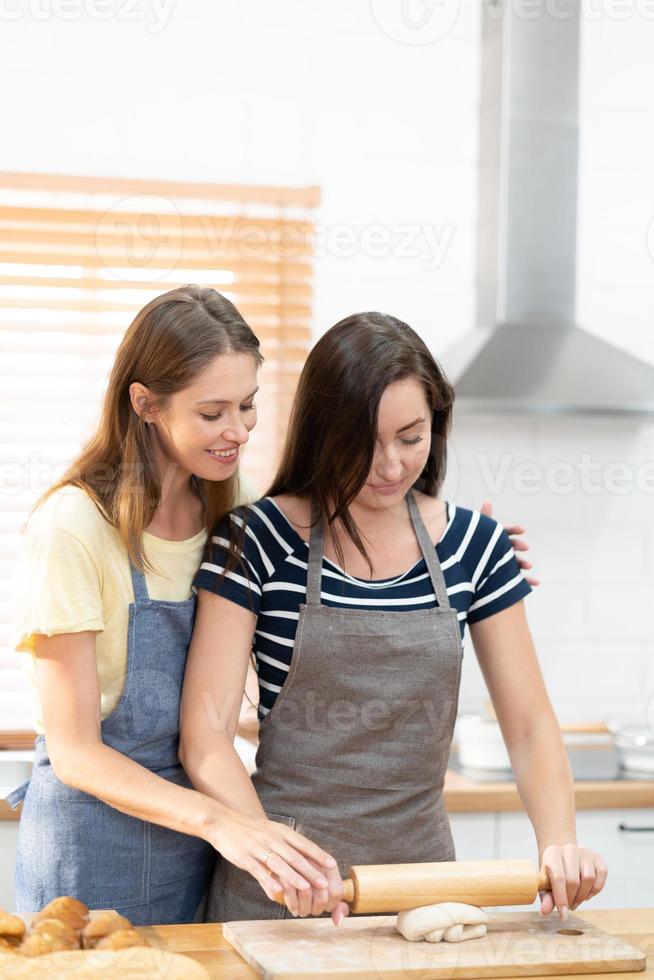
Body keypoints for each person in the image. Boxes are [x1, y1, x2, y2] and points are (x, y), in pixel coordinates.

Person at [180, 311, 608, 925]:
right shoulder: (256, 537)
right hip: (278, 892)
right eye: (363, 443)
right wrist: (276, 858)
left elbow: (531, 727)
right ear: (325, 432)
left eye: (411, 437)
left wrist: (559, 843)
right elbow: (206, 735)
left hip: (424, 890)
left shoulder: (475, 545)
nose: (389, 466)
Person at [8, 285, 337, 924]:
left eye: (248, 405)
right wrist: (227, 825)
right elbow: (77, 753)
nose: (238, 431)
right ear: (146, 404)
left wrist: (449, 541)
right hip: (88, 852)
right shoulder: (74, 528)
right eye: (212, 412)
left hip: (193, 845)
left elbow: (323, 547)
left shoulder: (225, 504)